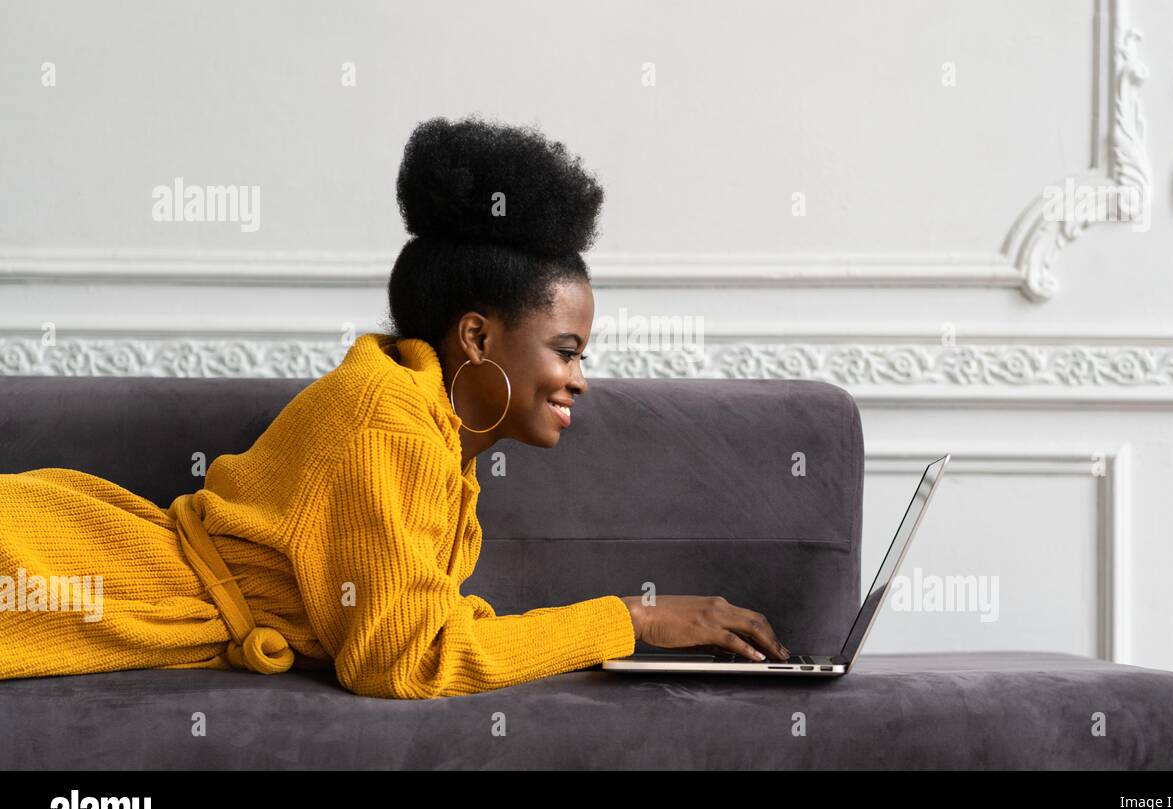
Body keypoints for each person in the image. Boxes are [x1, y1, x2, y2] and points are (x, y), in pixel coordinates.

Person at [0, 114, 789, 699]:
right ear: (477, 335)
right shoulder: (389, 419)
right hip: (62, 566)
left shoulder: (427, 428)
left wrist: (623, 623)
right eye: (567, 350)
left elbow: (417, 630)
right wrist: (631, 619)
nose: (581, 378)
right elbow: (404, 662)